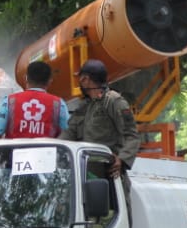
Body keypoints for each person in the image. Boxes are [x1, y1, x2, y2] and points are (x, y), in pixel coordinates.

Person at [60, 58, 141, 188]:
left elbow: (132, 136)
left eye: (80, 78)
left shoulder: (114, 101)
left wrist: (122, 160)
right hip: (86, 179)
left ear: (85, 80)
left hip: (111, 181)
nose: (79, 82)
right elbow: (68, 135)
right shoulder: (83, 108)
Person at [0, 60, 69, 139]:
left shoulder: (10, 101)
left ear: (26, 78)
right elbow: (68, 133)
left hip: (14, 154)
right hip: (47, 154)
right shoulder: (58, 103)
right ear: (50, 81)